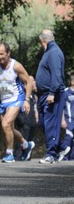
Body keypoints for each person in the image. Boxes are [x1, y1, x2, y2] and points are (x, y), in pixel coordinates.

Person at [0, 42, 35, 163]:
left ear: (8, 53)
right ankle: (25, 145)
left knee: (5, 125)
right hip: (4, 100)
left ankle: (9, 154)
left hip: (16, 98)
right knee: (9, 129)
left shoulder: (16, 66)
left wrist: (27, 100)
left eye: (2, 54)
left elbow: (28, 81)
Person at [36, 30, 69, 163]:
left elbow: (57, 75)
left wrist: (51, 93)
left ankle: (51, 154)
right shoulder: (49, 52)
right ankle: (60, 147)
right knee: (43, 123)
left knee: (50, 124)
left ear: (42, 41)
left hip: (52, 94)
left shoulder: (53, 52)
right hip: (44, 94)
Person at [15, 75, 38, 159]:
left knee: (31, 141)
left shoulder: (33, 95)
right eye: (32, 81)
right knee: (21, 140)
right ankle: (18, 157)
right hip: (24, 122)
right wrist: (22, 121)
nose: (35, 83)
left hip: (32, 122)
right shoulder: (22, 93)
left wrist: (36, 119)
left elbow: (35, 108)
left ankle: (27, 157)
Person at [59, 75, 74, 161]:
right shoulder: (65, 92)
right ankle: (64, 157)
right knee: (69, 137)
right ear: (72, 82)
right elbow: (61, 108)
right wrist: (62, 120)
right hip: (69, 120)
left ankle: (72, 159)